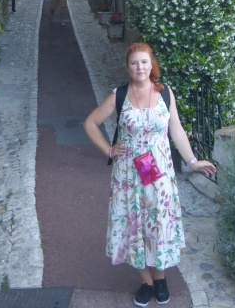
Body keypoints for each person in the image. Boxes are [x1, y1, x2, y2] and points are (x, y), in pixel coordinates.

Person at [84, 43, 216, 308]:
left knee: (159, 222)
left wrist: (192, 161)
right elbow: (90, 123)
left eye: (144, 62)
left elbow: (176, 128)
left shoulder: (165, 92)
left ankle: (160, 277)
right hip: (128, 176)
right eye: (134, 63)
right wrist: (108, 149)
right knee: (134, 225)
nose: (139, 67)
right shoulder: (119, 95)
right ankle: (145, 281)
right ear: (128, 67)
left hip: (160, 174)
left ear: (151, 64)